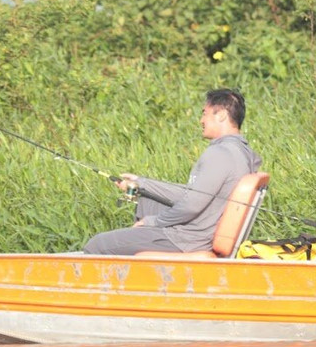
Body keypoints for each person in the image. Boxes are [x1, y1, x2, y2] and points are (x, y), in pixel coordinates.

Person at [83, 89, 262, 255]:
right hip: (201, 233)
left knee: (96, 245)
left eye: (204, 113)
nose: (201, 120)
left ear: (221, 115)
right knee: (147, 199)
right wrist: (143, 184)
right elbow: (194, 194)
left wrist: (150, 222)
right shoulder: (241, 152)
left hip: (188, 239)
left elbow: (191, 205)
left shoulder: (218, 154)